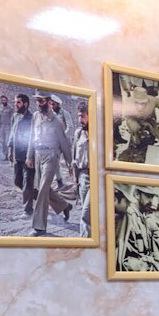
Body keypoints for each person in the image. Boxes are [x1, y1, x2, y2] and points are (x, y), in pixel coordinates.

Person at [26, 90, 73, 236]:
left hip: (51, 157)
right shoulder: (35, 116)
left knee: (42, 190)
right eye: (37, 101)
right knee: (41, 188)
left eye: (41, 101)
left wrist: (70, 163)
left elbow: (64, 143)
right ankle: (64, 205)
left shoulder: (56, 121)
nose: (38, 104)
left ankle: (39, 227)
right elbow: (31, 137)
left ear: (48, 101)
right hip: (38, 155)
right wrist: (29, 156)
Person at [7, 93, 35, 218]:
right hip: (17, 155)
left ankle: (27, 210)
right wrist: (10, 150)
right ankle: (57, 202)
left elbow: (33, 139)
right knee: (17, 181)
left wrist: (30, 156)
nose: (15, 105)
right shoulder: (15, 116)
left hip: (28, 156)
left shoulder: (32, 118)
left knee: (27, 183)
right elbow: (12, 134)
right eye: (15, 102)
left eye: (18, 102)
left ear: (26, 104)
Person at [72, 100, 91, 237]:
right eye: (79, 116)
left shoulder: (102, 134)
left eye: (83, 116)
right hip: (83, 177)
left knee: (86, 214)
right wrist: (75, 178)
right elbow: (75, 158)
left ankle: (85, 244)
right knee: (88, 214)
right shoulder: (78, 133)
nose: (80, 120)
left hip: (97, 179)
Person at [0, 94, 12, 158]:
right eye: (2, 100)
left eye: (4, 100)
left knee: (8, 141)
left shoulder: (10, 108)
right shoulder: (0, 107)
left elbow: (12, 118)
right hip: (2, 126)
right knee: (3, 141)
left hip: (8, 126)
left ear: (7, 100)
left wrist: (12, 128)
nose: (3, 101)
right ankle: (5, 154)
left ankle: (10, 154)